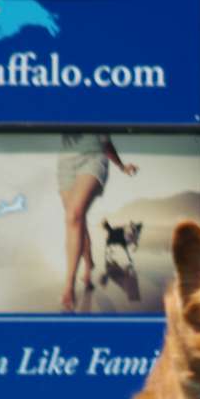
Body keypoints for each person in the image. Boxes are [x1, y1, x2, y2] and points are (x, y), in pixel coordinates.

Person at [57, 133, 138, 312]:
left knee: (74, 215)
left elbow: (105, 139)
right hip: (65, 163)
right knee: (78, 220)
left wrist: (121, 166)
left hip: (93, 157)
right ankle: (88, 266)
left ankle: (68, 287)